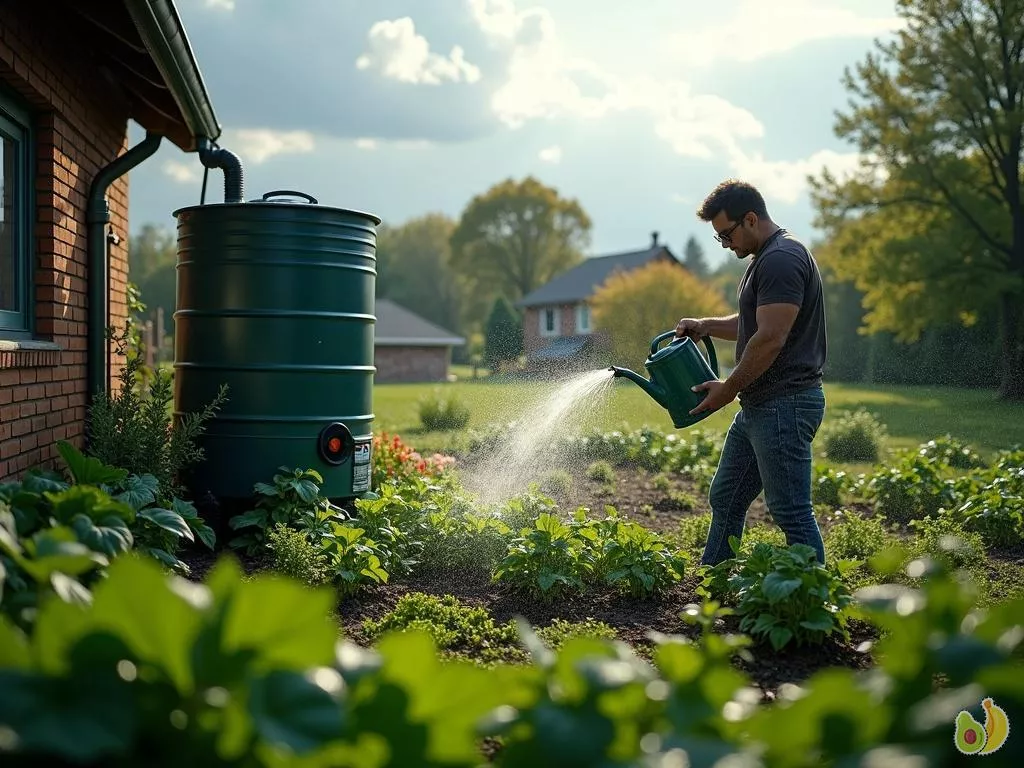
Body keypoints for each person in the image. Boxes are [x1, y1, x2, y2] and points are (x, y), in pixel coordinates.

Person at [676, 179, 828, 566]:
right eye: (718, 238)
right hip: (763, 404)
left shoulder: (781, 258)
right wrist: (708, 325)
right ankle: (714, 582)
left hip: (785, 403)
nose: (726, 245)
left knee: (791, 511)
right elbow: (754, 325)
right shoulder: (767, 258)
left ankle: (816, 605)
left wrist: (727, 388)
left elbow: (771, 338)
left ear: (750, 219)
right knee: (726, 496)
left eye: (726, 234)